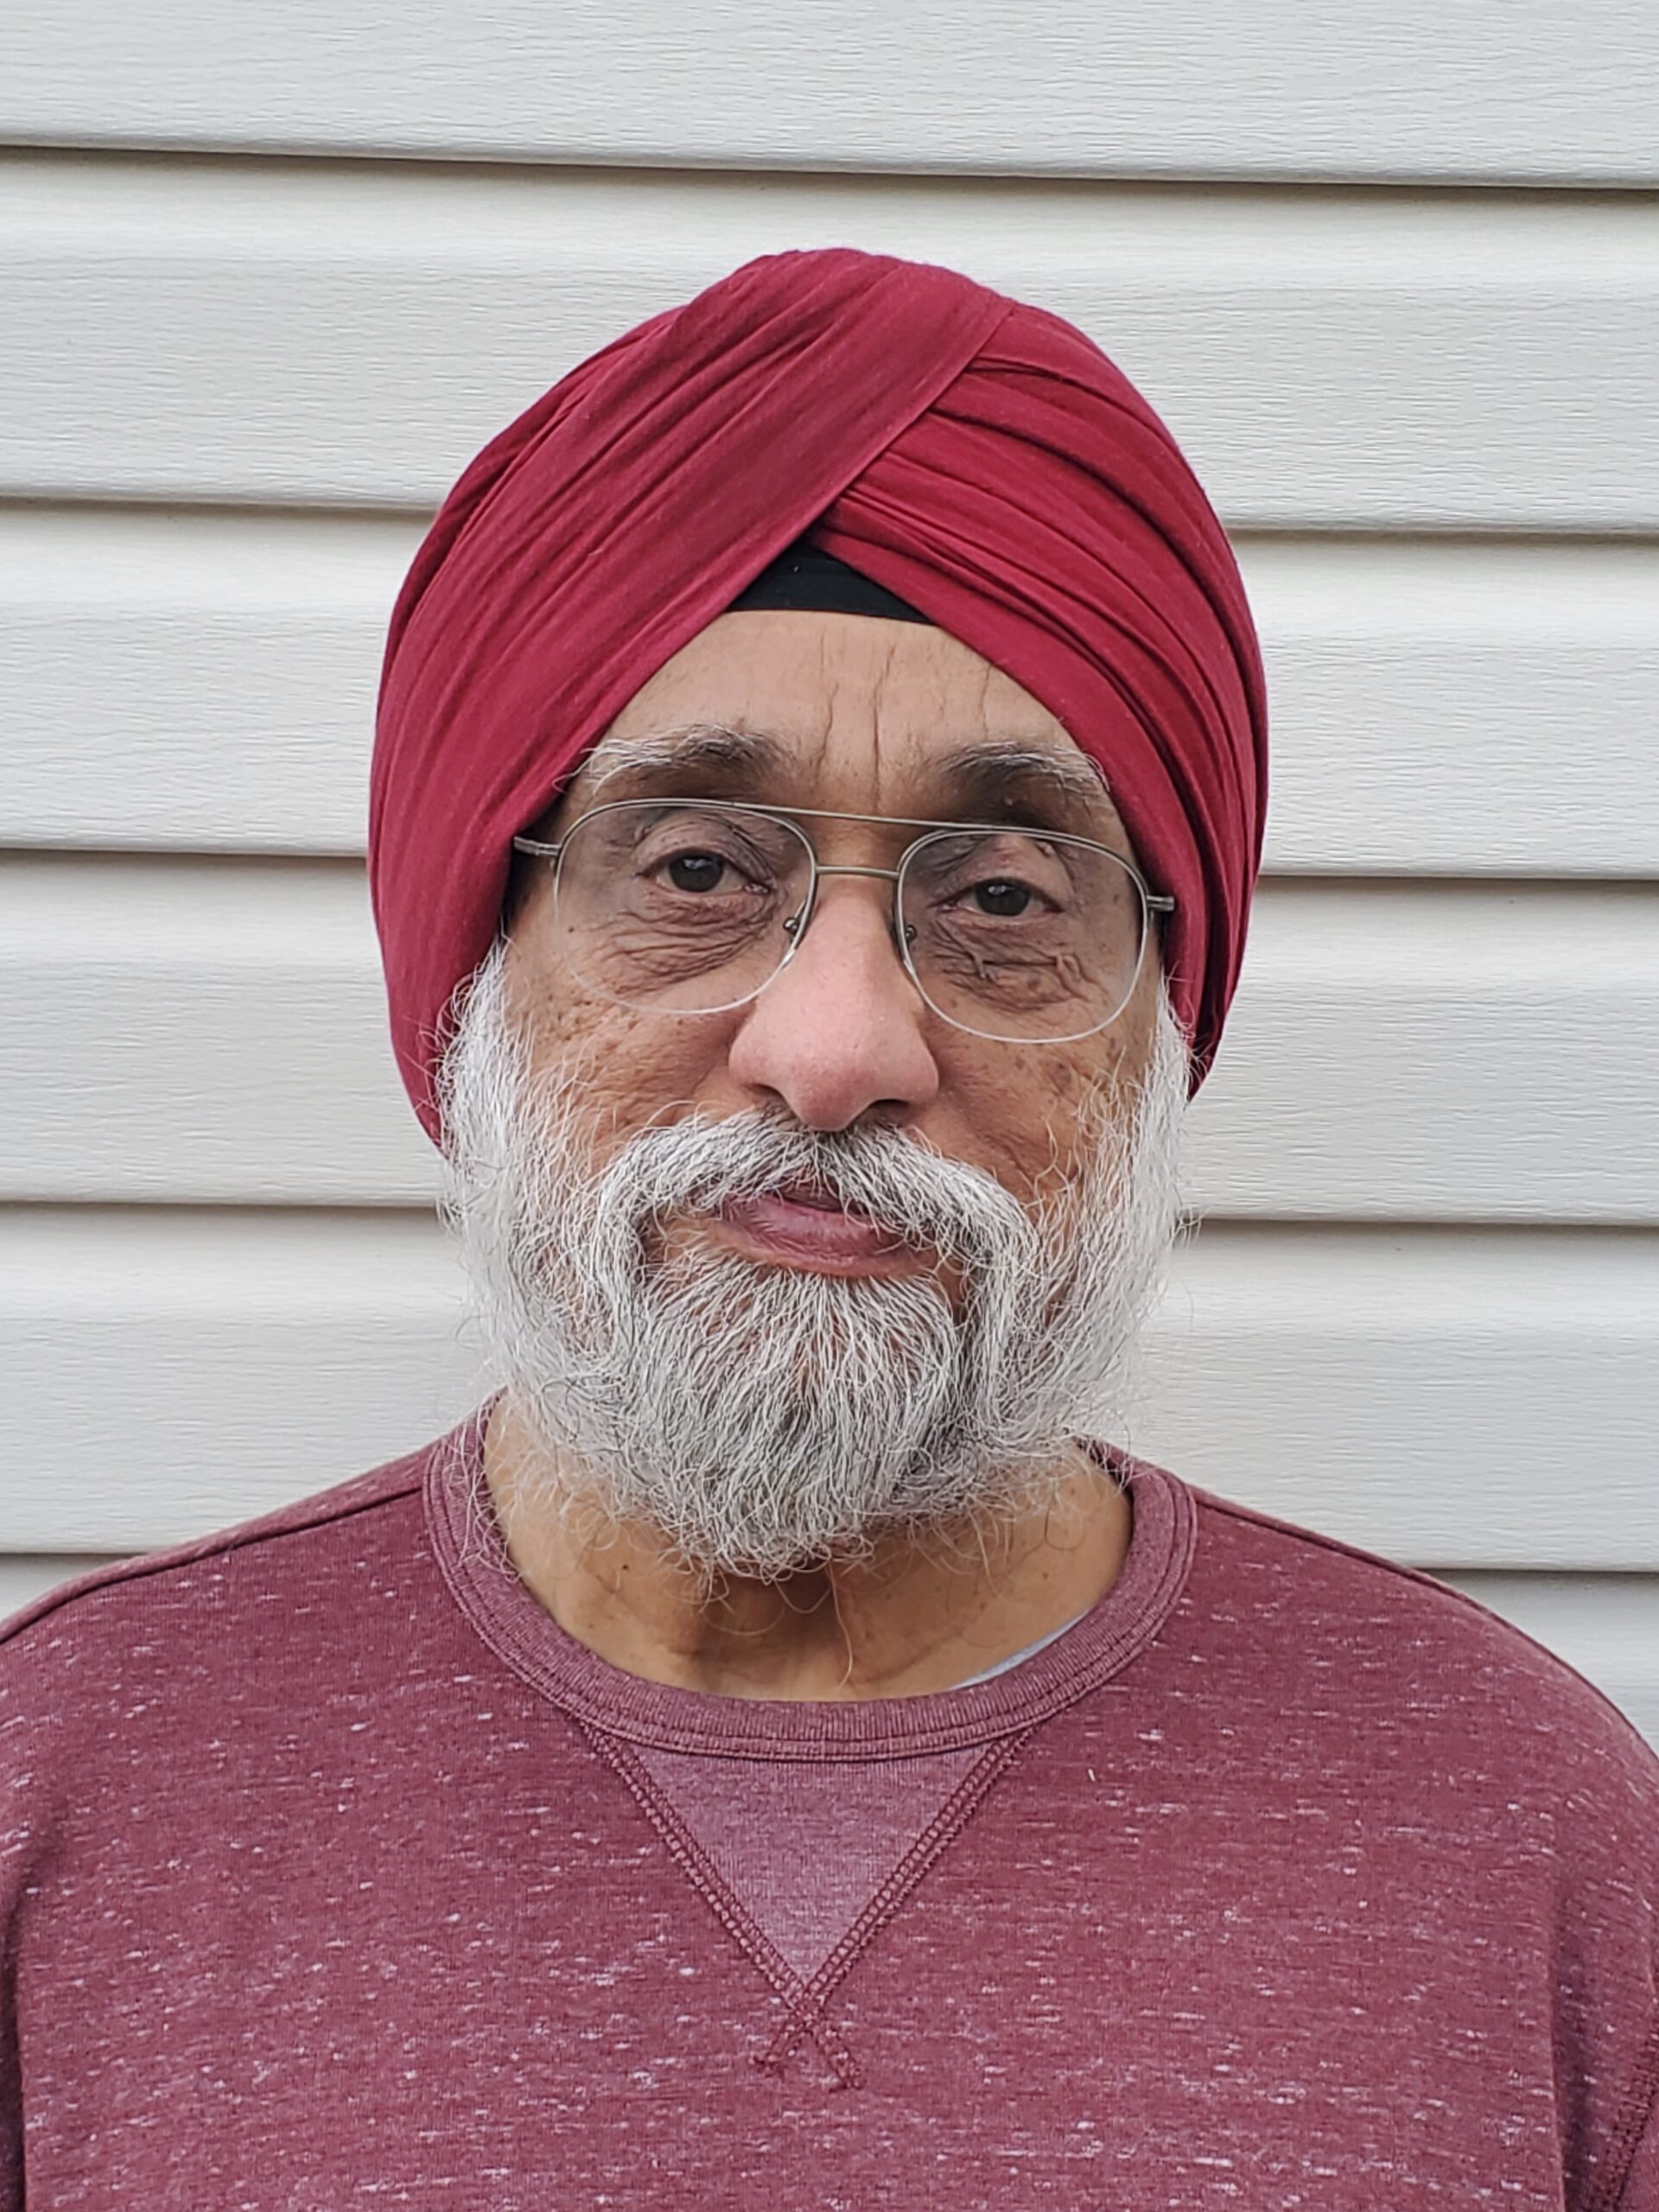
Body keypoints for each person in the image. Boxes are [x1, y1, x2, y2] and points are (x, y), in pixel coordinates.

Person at [2, 249, 1654, 2209]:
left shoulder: (1524, 1831)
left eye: (1008, 900)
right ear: (469, 971)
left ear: (1160, 1019)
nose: (840, 1046)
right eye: (696, 865)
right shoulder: (72, 1793)